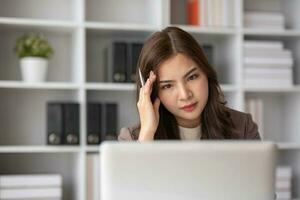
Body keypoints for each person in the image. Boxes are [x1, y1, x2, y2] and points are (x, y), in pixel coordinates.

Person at [118, 26, 260, 141]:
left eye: (192, 77)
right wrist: (148, 132)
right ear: (152, 93)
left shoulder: (243, 128)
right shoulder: (132, 139)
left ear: (206, 72)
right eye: (167, 86)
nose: (185, 95)